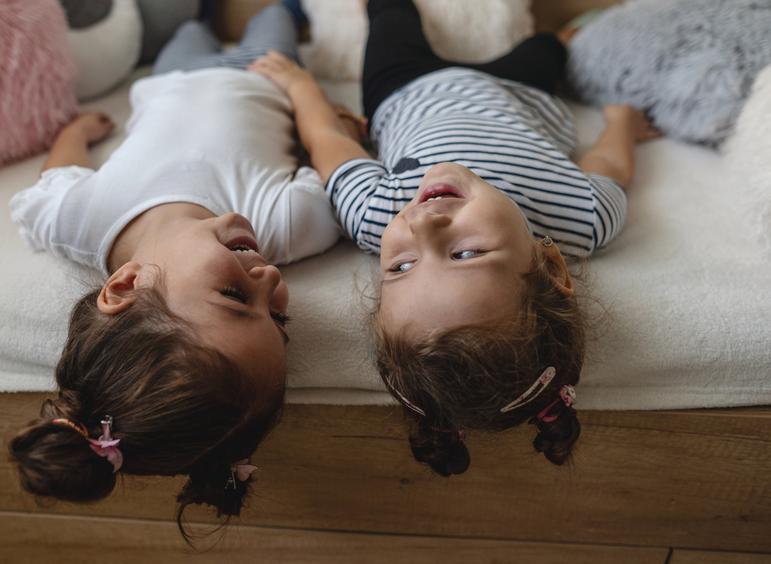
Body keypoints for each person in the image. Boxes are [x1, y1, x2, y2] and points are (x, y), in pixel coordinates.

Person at [250, 0, 658, 476]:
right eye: (465, 253)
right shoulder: (583, 217)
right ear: (550, 267)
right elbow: (608, 168)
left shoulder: (375, 215)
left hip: (404, 89)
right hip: (522, 91)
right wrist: (620, 125)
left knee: (391, 17)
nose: (422, 224)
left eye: (400, 267)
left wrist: (303, 87)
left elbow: (329, 144)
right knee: (548, 47)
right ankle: (565, 37)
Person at [8, 3, 345, 537]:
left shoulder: (78, 220)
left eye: (235, 296)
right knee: (270, 20)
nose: (273, 283)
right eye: (277, 320)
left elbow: (54, 179)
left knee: (190, 27)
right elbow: (330, 159)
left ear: (124, 285)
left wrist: (73, 132)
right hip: (262, 77)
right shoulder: (285, 224)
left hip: (168, 80)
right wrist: (310, 99)